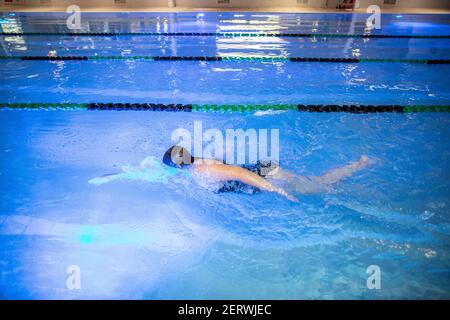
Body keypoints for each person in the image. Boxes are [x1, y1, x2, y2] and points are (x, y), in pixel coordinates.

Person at [162, 145, 372, 202]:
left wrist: (276, 190)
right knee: (317, 185)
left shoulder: (203, 169)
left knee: (318, 186)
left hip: (265, 175)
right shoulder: (197, 164)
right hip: (262, 172)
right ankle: (354, 174)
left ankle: (360, 167)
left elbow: (239, 173)